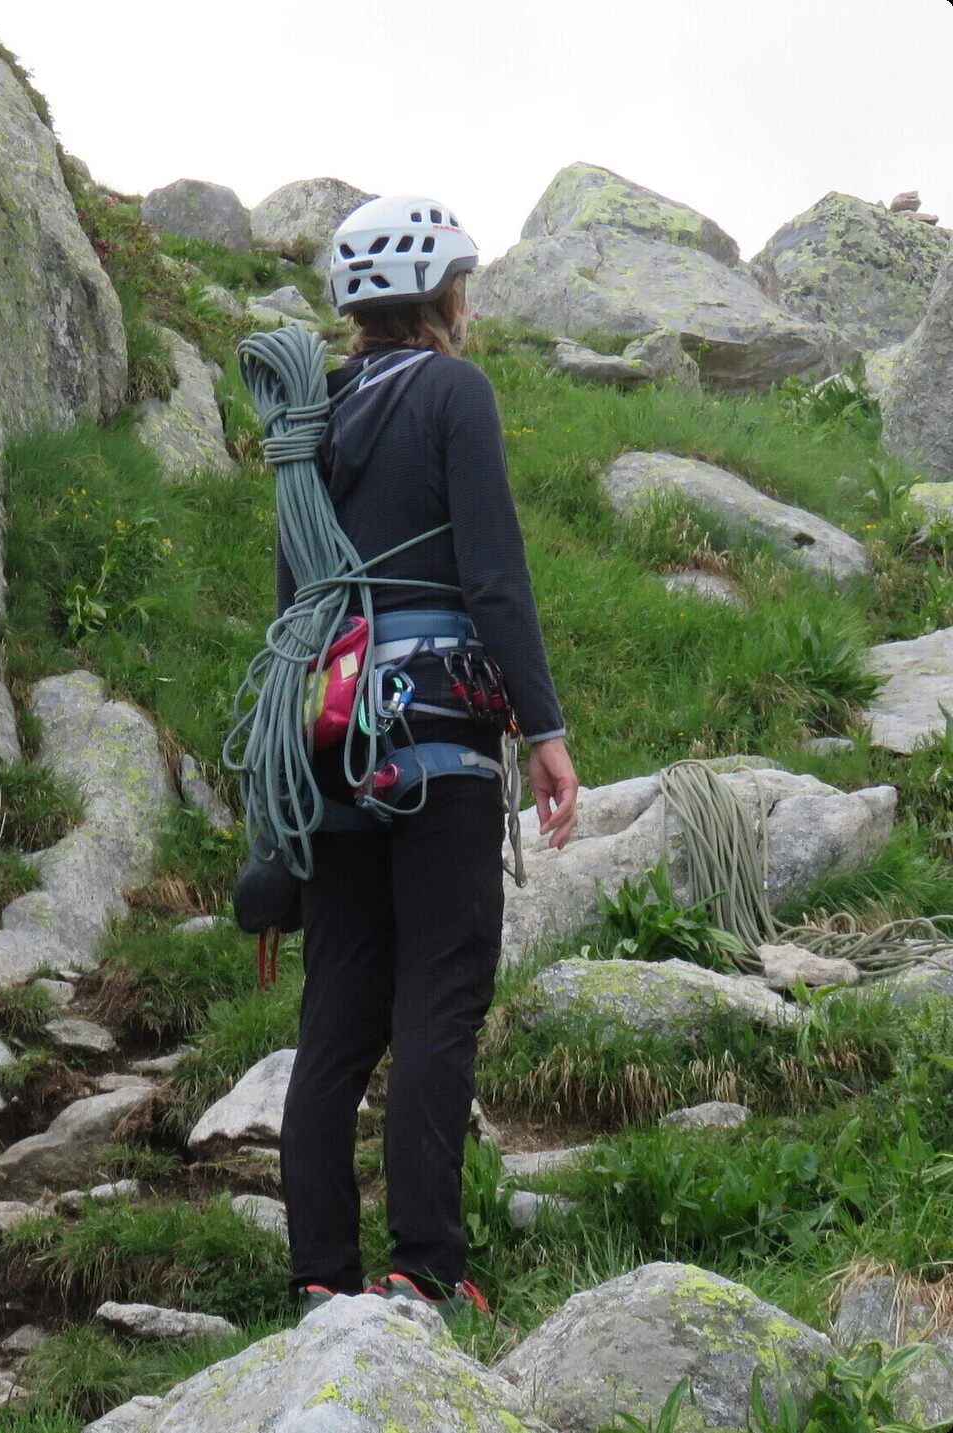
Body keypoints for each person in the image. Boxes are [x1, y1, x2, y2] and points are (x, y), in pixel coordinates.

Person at [276, 194, 579, 1321]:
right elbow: (494, 574)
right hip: (442, 741)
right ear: (446, 292)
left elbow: (293, 599)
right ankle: (423, 1267)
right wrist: (543, 730)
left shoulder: (312, 417)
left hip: (332, 736)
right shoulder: (455, 390)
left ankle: (317, 1275)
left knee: (339, 1012)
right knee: (439, 1000)